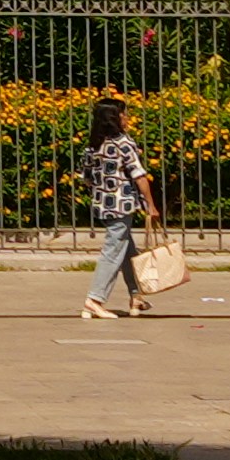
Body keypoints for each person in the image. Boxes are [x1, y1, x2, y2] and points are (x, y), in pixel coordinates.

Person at [79, 97, 162, 318]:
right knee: (113, 252)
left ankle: (136, 296)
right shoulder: (123, 143)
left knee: (127, 251)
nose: (127, 118)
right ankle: (95, 299)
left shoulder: (93, 146)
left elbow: (86, 177)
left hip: (102, 206)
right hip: (122, 205)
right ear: (115, 118)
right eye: (124, 114)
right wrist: (151, 205)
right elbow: (139, 176)